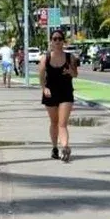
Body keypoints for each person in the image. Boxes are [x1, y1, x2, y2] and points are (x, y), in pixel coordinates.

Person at [39, 30, 78, 162]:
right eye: (54, 39)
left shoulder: (70, 57)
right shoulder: (46, 58)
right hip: (51, 93)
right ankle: (55, 147)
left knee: (62, 123)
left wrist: (70, 71)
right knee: (54, 122)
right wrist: (44, 88)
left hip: (66, 92)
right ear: (51, 41)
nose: (57, 41)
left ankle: (65, 147)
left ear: (63, 41)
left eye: (60, 39)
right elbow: (41, 76)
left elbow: (75, 74)